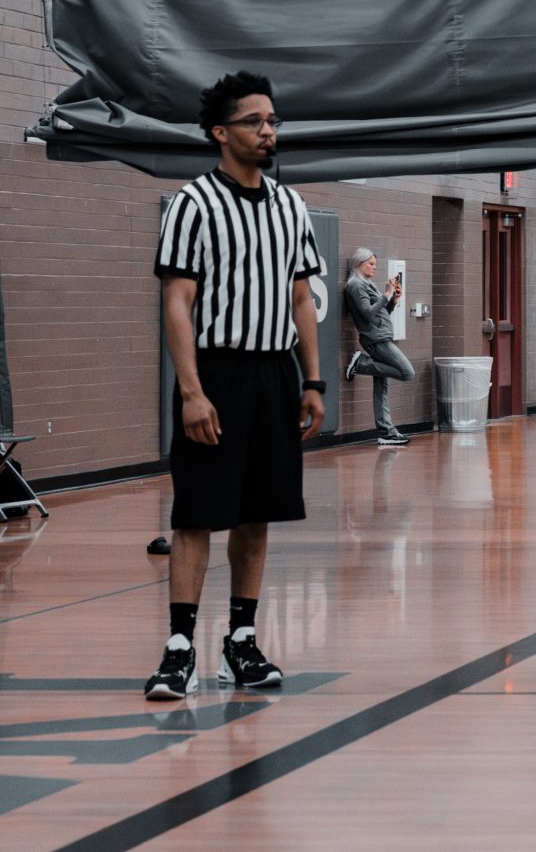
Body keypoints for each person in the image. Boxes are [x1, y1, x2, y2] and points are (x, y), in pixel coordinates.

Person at [145, 72, 326, 700]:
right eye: (254, 121)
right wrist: (192, 391)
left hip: (275, 374)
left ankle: (240, 643)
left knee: (256, 512)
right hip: (216, 371)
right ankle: (178, 649)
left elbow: (301, 299)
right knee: (197, 512)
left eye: (273, 120)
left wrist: (312, 380)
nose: (268, 131)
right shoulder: (193, 204)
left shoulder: (291, 206)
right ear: (221, 133)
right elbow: (177, 303)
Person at [340, 248, 413, 446]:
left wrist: (393, 300)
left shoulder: (366, 284)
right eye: (371, 264)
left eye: (375, 264)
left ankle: (386, 432)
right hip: (376, 339)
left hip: (380, 336)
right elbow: (367, 313)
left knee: (381, 388)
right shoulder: (356, 285)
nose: (374, 267)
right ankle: (361, 364)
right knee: (407, 372)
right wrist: (386, 294)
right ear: (359, 263)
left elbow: (380, 313)